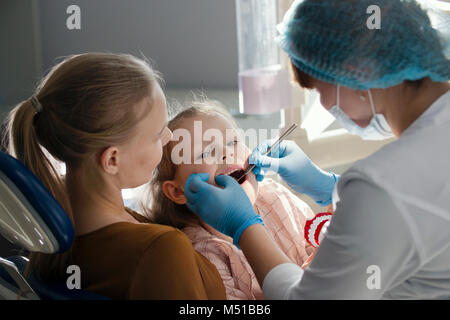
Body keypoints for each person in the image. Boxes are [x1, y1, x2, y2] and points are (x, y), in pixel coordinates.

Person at [184, 0, 450, 299]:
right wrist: (331, 187)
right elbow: (418, 210)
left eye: (318, 89)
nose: (323, 105)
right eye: (205, 152)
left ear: (357, 74)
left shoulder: (381, 187)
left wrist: (244, 227)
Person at [5, 53, 226, 299]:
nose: (169, 138)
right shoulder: (161, 250)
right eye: (157, 134)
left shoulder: (48, 223)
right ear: (112, 159)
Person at [148, 100, 316, 299]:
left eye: (233, 142)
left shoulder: (275, 196)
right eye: (205, 152)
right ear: (177, 191)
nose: (227, 153)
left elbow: (321, 246)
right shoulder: (200, 256)